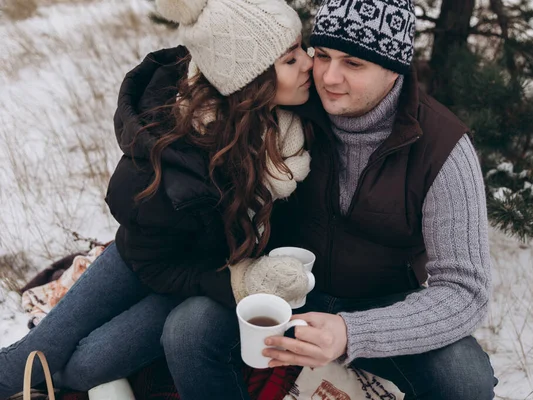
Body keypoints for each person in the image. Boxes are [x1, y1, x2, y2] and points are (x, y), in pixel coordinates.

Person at [161, 0, 498, 399]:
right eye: (322, 55)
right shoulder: (289, 106)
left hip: (381, 305)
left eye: (353, 64)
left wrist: (353, 332)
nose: (329, 78)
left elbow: (465, 291)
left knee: (466, 381)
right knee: (187, 331)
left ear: (394, 68)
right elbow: (215, 85)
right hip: (287, 289)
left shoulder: (442, 147)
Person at [0, 0, 314, 397]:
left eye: (302, 47)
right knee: (39, 349)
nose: (310, 63)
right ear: (248, 80)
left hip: (200, 284)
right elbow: (153, 264)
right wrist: (241, 280)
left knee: (84, 367)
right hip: (149, 263)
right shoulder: (173, 156)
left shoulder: (289, 128)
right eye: (290, 59)